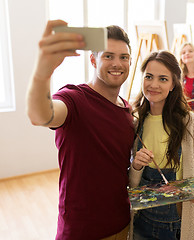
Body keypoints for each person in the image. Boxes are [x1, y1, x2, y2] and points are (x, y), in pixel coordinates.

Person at [26, 20, 134, 240]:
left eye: (124, 57)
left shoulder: (127, 108)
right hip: (81, 231)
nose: (117, 63)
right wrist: (42, 73)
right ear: (93, 60)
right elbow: (41, 115)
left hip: (122, 224)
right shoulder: (74, 99)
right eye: (108, 56)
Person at [129, 50, 194, 240]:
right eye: (149, 77)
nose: (153, 84)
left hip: (178, 225)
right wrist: (136, 165)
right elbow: (129, 181)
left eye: (163, 79)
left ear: (174, 84)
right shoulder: (134, 122)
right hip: (141, 221)